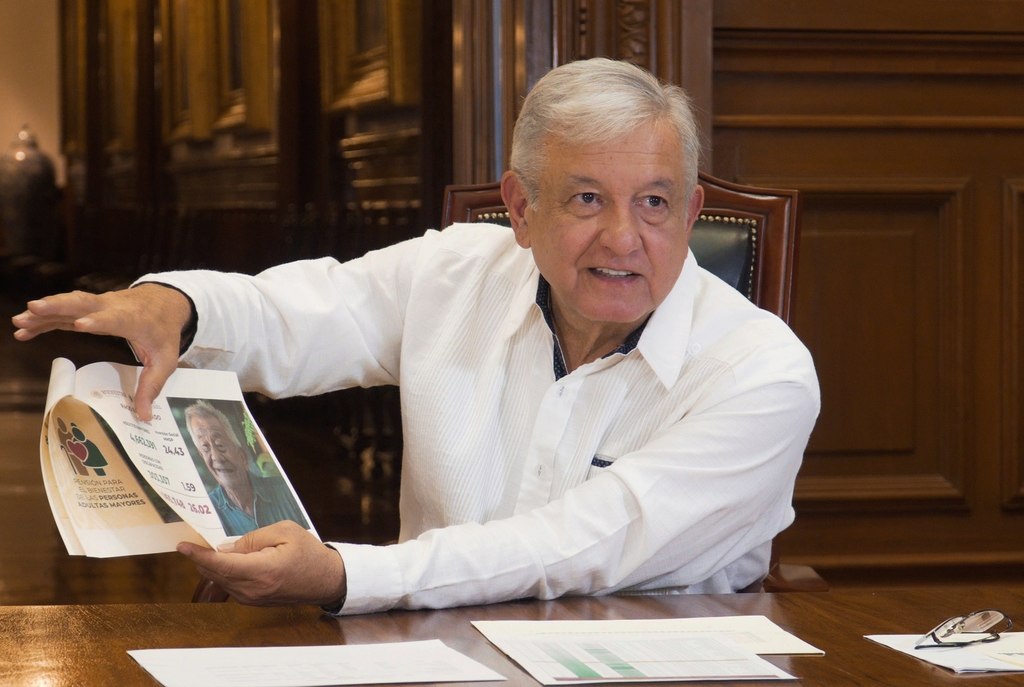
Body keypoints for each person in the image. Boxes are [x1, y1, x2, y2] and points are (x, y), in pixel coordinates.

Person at [11, 57, 819, 615]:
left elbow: (577, 544)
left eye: (654, 202)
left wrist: (344, 575)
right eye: (585, 199)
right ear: (520, 207)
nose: (623, 236)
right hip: (430, 657)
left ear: (690, 210)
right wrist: (177, 305)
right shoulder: (456, 271)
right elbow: (304, 312)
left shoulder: (762, 371)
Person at [182, 399, 308, 536]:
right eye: (205, 448)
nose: (216, 457)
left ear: (242, 456)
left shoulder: (284, 491)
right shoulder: (207, 510)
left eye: (220, 445)